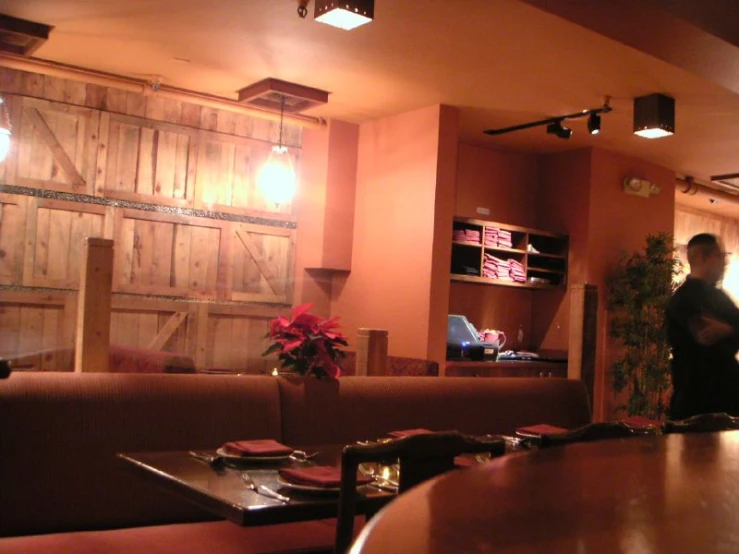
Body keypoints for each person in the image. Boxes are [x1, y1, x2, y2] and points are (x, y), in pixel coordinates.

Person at [665, 233, 739, 419]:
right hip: (698, 404)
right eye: (720, 256)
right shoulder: (684, 299)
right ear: (702, 258)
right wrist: (732, 330)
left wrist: (728, 329)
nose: (725, 263)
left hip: (728, 398)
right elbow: (705, 336)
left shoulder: (719, 296)